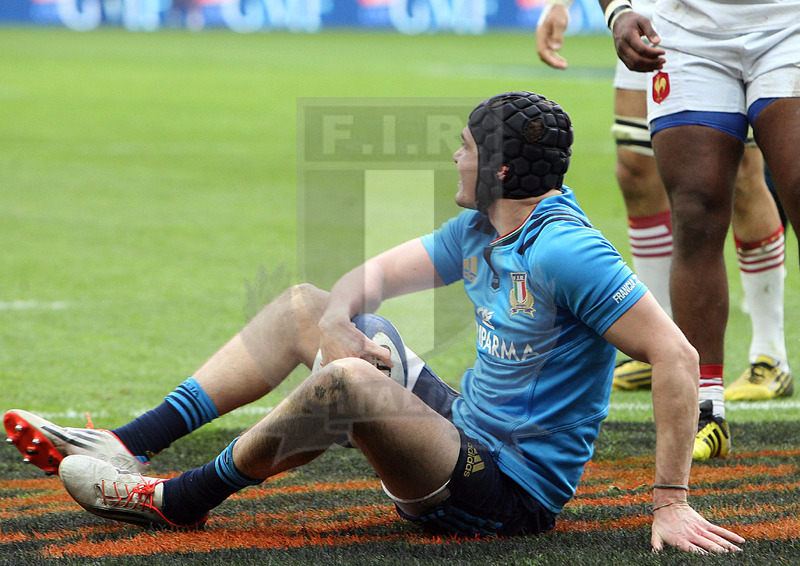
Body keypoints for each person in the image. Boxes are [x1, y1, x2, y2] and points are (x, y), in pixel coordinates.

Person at [5, 92, 744, 553]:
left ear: (500, 175)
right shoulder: (485, 229)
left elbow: (676, 356)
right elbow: (370, 279)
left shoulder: (566, 251)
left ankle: (176, 500)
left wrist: (670, 503)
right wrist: (339, 326)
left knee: (353, 382)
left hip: (504, 496)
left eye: (465, 147)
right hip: (462, 433)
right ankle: (128, 445)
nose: (454, 157)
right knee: (304, 304)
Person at [536, 0, 793, 460]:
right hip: (683, 26)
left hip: (788, 21)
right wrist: (615, 11)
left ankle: (770, 354)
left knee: (769, 181)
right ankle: (705, 407)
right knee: (693, 208)